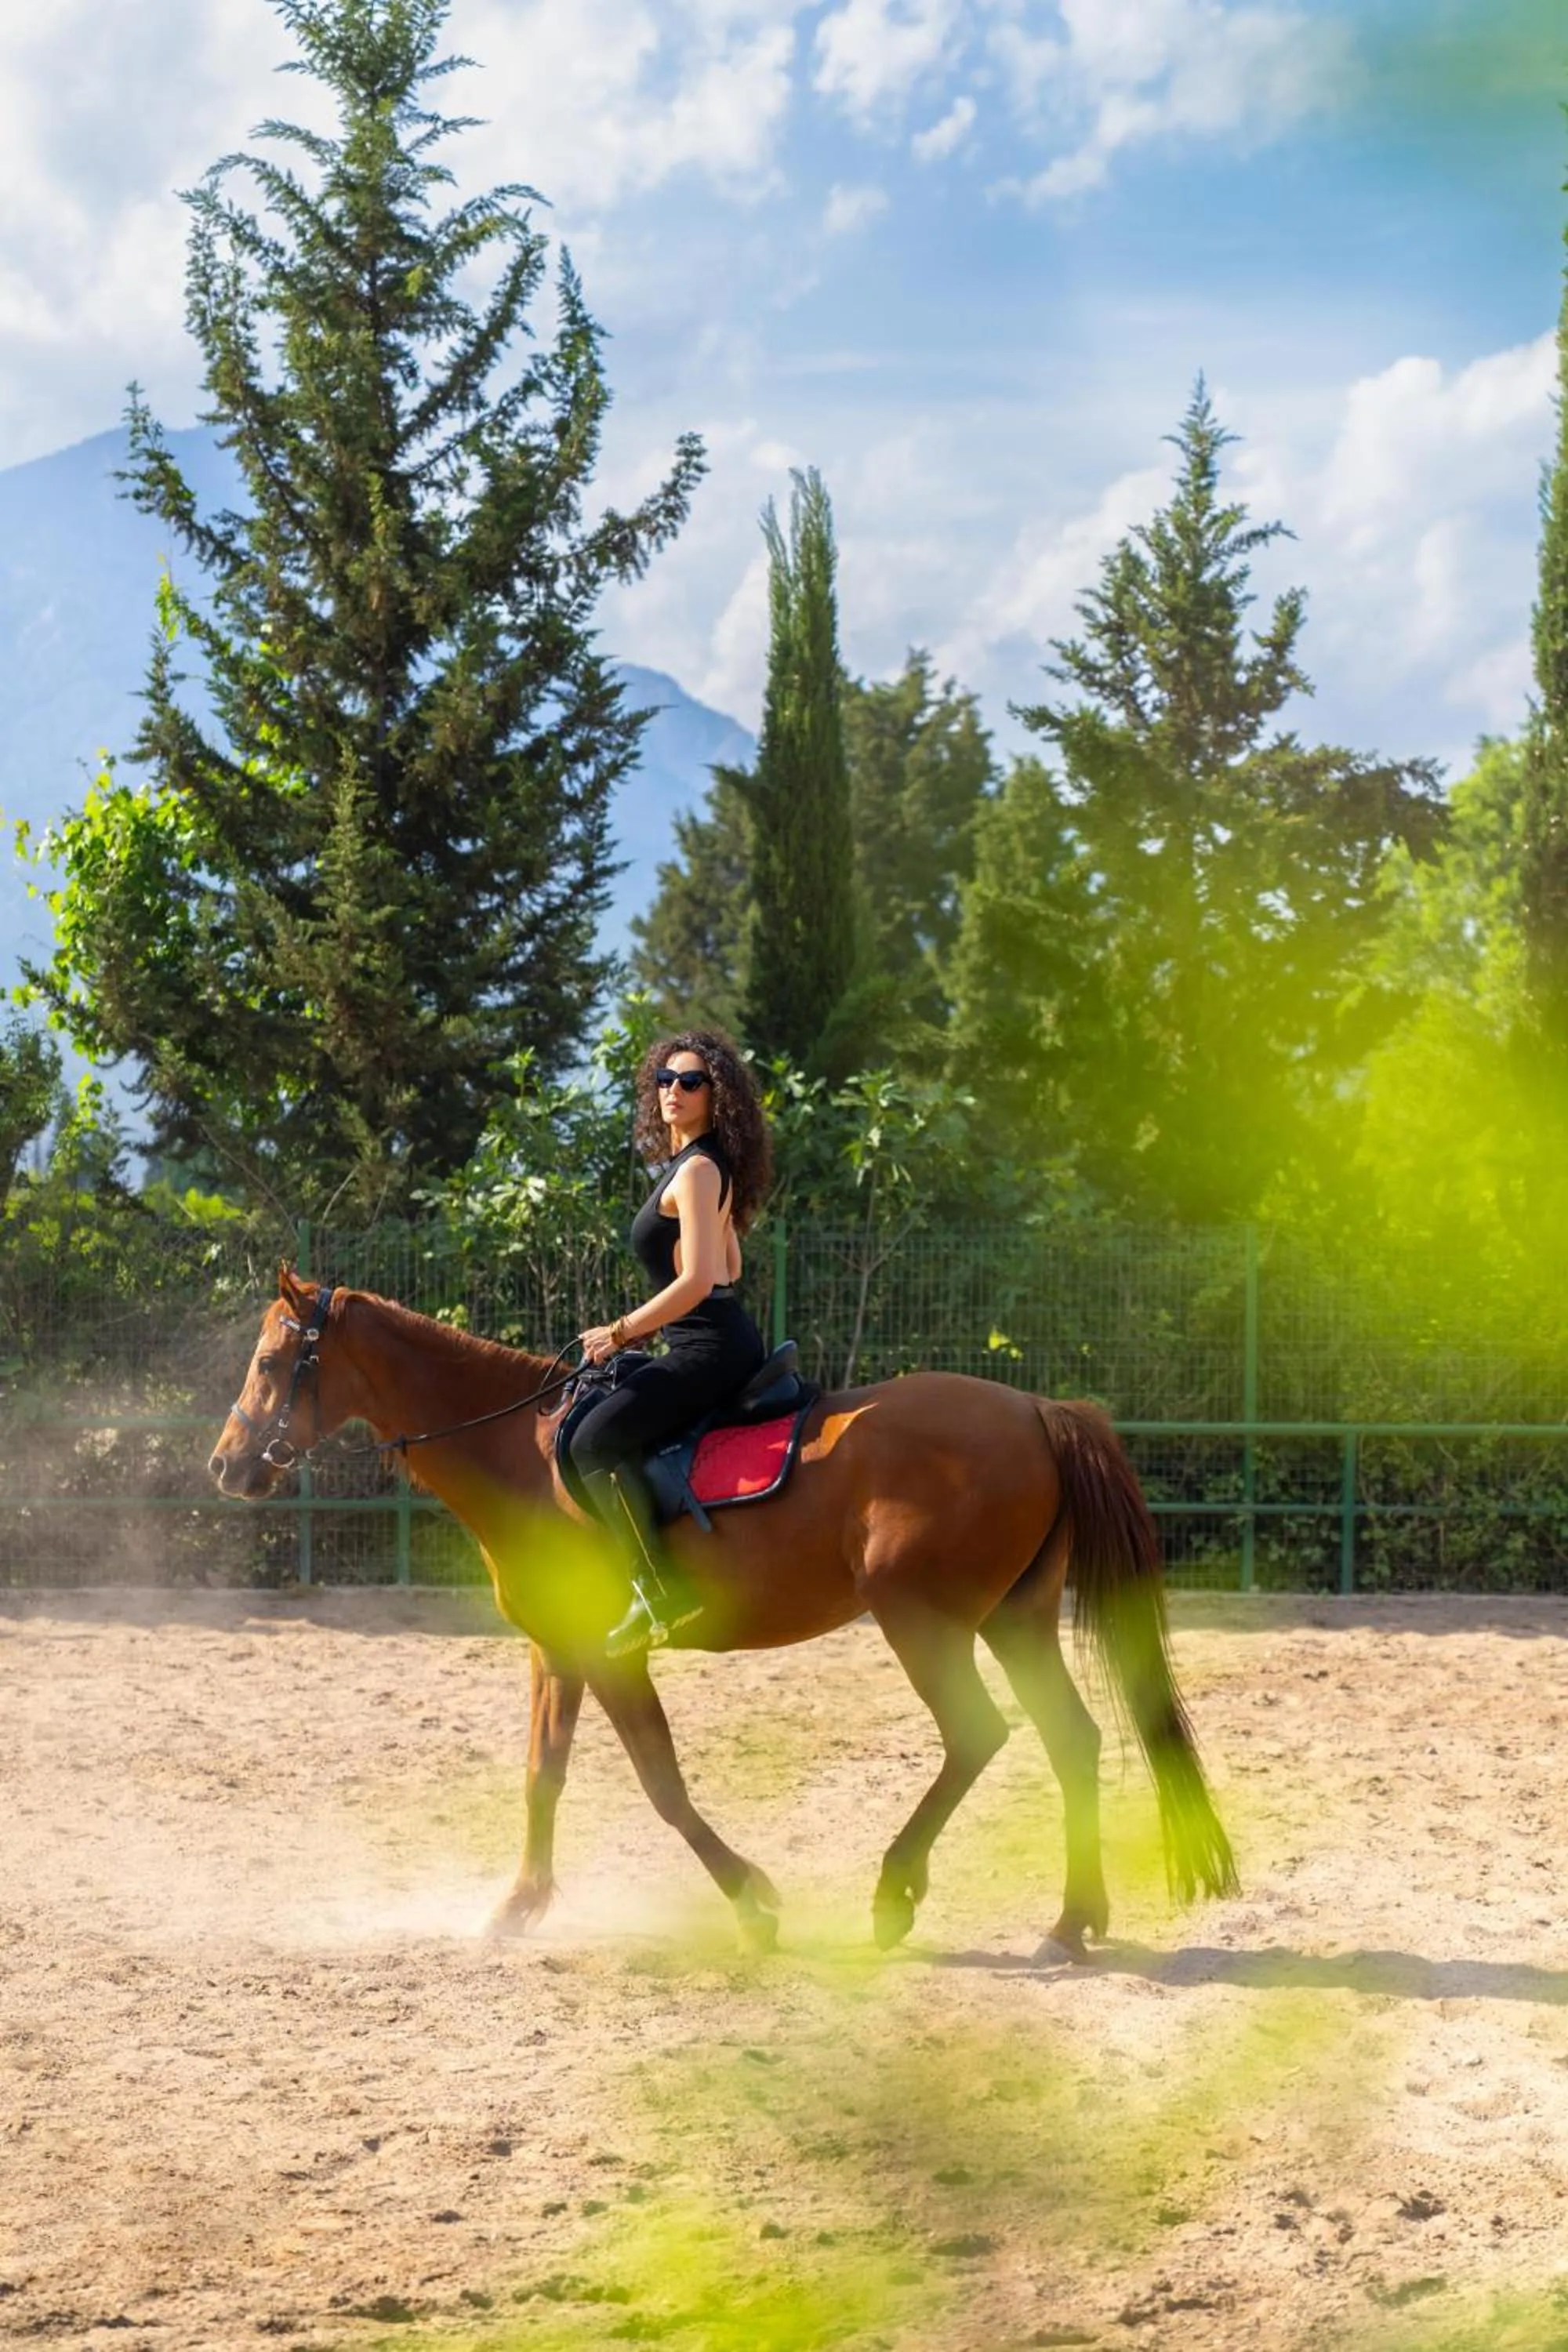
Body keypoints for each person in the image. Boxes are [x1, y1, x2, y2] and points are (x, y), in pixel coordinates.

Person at [573, 1030, 771, 1656]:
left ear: (719, 1097)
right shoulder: (701, 1168)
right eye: (664, 1080)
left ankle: (660, 1589)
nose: (673, 1092)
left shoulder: (700, 1170)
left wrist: (621, 1331)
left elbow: (697, 1283)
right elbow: (729, 1270)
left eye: (689, 1082)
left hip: (707, 1347)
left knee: (591, 1442)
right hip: (712, 1339)